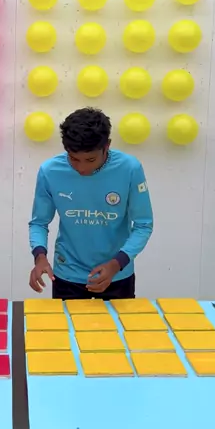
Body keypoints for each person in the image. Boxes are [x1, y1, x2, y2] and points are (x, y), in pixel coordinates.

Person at [28, 108, 153, 300]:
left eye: (90, 159)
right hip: (67, 276)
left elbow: (143, 224)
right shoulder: (50, 171)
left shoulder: (130, 168)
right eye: (74, 159)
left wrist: (117, 264)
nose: (82, 168)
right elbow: (39, 222)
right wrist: (40, 256)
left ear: (107, 146)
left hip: (117, 275)